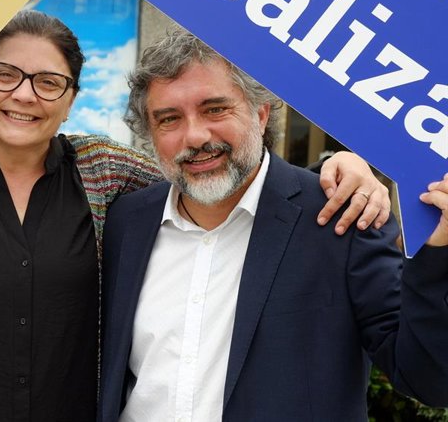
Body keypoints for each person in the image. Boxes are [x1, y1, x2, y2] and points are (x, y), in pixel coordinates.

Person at [0, 10, 390, 422]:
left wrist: (335, 170)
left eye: (49, 82)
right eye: (5, 74)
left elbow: (214, 177)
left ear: (70, 99)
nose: (25, 95)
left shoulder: (105, 170)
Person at [100, 30, 448, 421]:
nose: (195, 136)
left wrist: (438, 251)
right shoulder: (124, 223)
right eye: (169, 119)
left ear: (261, 113)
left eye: (215, 109)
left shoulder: (343, 215)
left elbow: (429, 379)